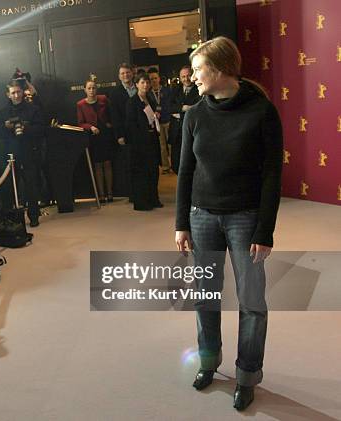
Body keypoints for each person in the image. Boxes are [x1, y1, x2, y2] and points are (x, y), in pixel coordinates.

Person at [175, 36, 283, 411]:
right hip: (201, 217)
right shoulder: (194, 116)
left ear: (219, 70)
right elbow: (185, 172)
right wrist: (181, 223)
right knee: (206, 296)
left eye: (198, 69)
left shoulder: (261, 111)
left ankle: (247, 375)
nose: (192, 77)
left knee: (252, 301)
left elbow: (272, 174)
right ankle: (208, 362)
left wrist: (264, 229)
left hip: (246, 218)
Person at [0, 80, 45, 227]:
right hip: (10, 156)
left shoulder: (33, 109)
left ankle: (34, 216)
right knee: (9, 188)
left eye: (18, 92)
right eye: (13, 93)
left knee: (32, 186)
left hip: (29, 153)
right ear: (8, 95)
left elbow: (41, 130)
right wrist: (6, 127)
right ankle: (9, 218)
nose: (16, 95)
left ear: (23, 92)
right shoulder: (3, 112)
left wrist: (25, 128)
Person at [125, 73, 162, 211]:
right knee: (142, 173)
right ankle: (142, 202)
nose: (145, 85)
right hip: (139, 143)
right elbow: (130, 124)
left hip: (152, 141)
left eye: (147, 82)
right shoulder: (132, 102)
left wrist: (156, 117)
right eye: (142, 83)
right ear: (136, 85)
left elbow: (153, 118)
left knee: (153, 171)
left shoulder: (151, 100)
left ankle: (154, 199)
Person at [76, 77, 114, 203]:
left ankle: (110, 193)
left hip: (105, 135)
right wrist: (90, 127)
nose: (92, 90)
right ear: (85, 90)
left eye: (93, 88)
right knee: (97, 165)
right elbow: (80, 123)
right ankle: (101, 194)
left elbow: (111, 113)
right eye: (89, 88)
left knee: (108, 164)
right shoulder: (80, 104)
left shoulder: (103, 99)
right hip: (93, 137)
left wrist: (109, 123)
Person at [108, 63, 136, 198]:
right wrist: (119, 135)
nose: (126, 75)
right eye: (122, 73)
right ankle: (132, 194)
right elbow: (115, 116)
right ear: (119, 76)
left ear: (132, 73)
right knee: (129, 165)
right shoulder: (115, 93)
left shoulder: (140, 87)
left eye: (127, 72)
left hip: (141, 132)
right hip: (126, 133)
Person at [168, 65, 200, 174]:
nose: (186, 79)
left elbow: (197, 109)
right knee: (176, 161)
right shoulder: (175, 90)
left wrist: (179, 114)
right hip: (176, 132)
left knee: (191, 162)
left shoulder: (199, 89)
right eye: (183, 76)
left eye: (188, 76)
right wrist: (183, 108)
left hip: (192, 131)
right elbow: (168, 107)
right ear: (180, 78)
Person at [147, 67, 172, 174]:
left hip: (168, 120)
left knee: (171, 144)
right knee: (162, 146)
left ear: (159, 79)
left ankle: (175, 164)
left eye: (155, 78)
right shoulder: (148, 94)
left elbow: (170, 105)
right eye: (151, 79)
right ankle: (165, 167)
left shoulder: (167, 90)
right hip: (157, 123)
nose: (154, 80)